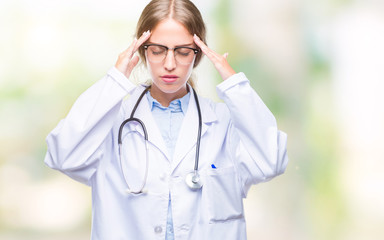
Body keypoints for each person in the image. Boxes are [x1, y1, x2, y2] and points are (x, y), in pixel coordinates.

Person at [44, 0, 288, 239]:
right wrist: (115, 80)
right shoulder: (111, 122)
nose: (169, 64)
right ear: (142, 50)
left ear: (199, 54)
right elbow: (63, 156)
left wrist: (234, 83)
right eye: (158, 50)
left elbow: (270, 162)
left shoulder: (224, 122)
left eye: (182, 52)